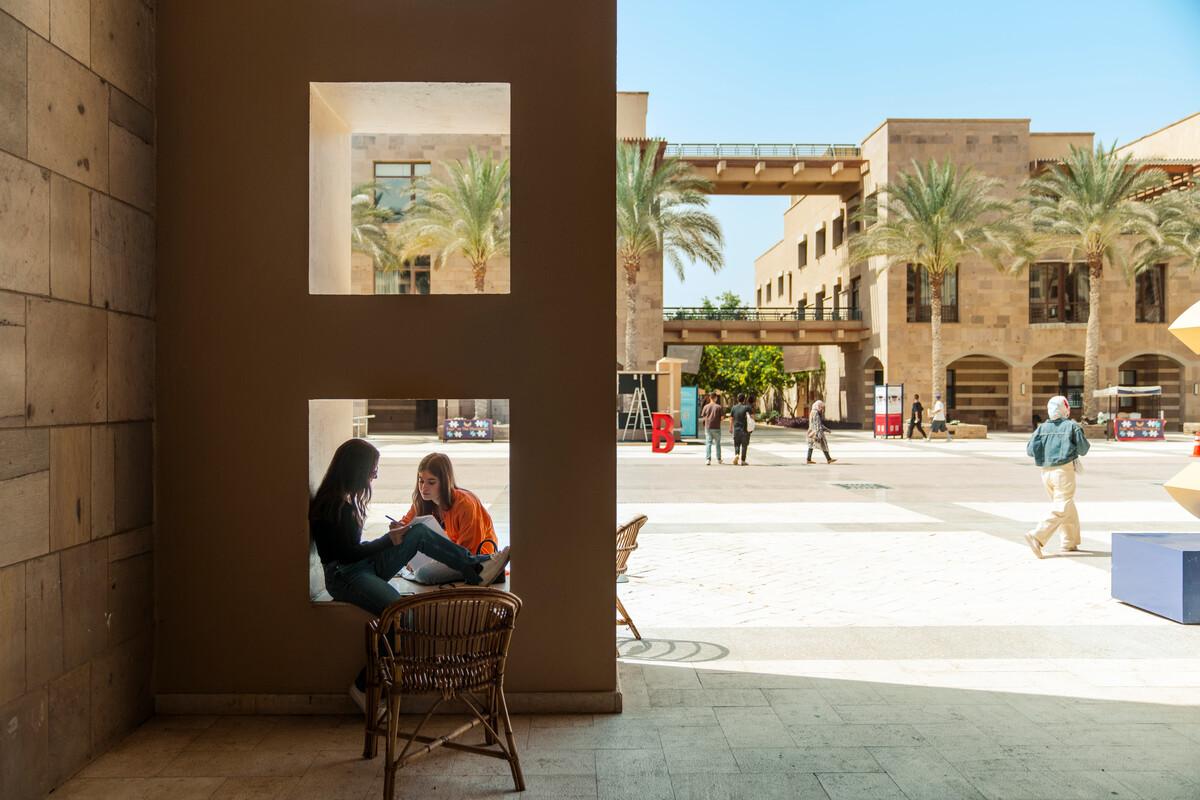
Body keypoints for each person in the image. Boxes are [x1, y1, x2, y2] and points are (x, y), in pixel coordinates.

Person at [309, 439, 511, 711]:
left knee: (417, 532)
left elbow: (357, 551)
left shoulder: (346, 499)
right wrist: (387, 540)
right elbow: (346, 554)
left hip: (362, 567)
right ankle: (363, 686)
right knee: (402, 614)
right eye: (373, 469)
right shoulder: (332, 505)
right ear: (356, 468)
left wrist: (394, 537)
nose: (375, 475)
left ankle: (474, 567)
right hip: (344, 576)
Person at [397, 452, 501, 584]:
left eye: (431, 482)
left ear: (445, 482)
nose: (424, 488)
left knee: (424, 573)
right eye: (421, 481)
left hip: (471, 560)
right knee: (396, 559)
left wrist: (436, 560)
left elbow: (468, 552)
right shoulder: (422, 501)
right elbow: (406, 523)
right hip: (442, 557)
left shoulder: (465, 504)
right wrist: (398, 528)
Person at [1023, 395, 1090, 558]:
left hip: (1046, 472)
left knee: (1066, 505)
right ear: (1065, 408)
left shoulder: (1041, 428)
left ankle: (1069, 541)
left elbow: (1030, 451)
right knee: (1062, 506)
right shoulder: (1071, 426)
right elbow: (1083, 449)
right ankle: (1037, 535)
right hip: (1063, 471)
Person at [806, 399, 836, 464]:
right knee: (823, 445)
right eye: (821, 407)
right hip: (816, 432)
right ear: (818, 406)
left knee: (811, 445)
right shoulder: (816, 413)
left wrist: (826, 429)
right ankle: (828, 459)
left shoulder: (812, 412)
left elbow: (816, 423)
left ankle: (809, 459)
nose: (822, 409)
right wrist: (818, 434)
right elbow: (818, 424)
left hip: (811, 431)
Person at [729, 393, 754, 466]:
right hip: (744, 430)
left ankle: (736, 454)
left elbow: (731, 418)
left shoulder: (734, 408)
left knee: (736, 445)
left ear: (737, 399)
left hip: (736, 430)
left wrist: (730, 428)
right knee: (744, 445)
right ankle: (743, 461)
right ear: (744, 399)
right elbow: (752, 417)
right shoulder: (747, 408)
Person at [701, 393, 724, 465]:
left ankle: (708, 459)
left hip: (708, 427)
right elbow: (722, 418)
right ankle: (719, 459)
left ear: (710, 398)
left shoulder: (706, 407)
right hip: (717, 427)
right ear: (715, 398)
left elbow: (703, 417)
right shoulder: (719, 407)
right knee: (718, 444)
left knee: (708, 443)